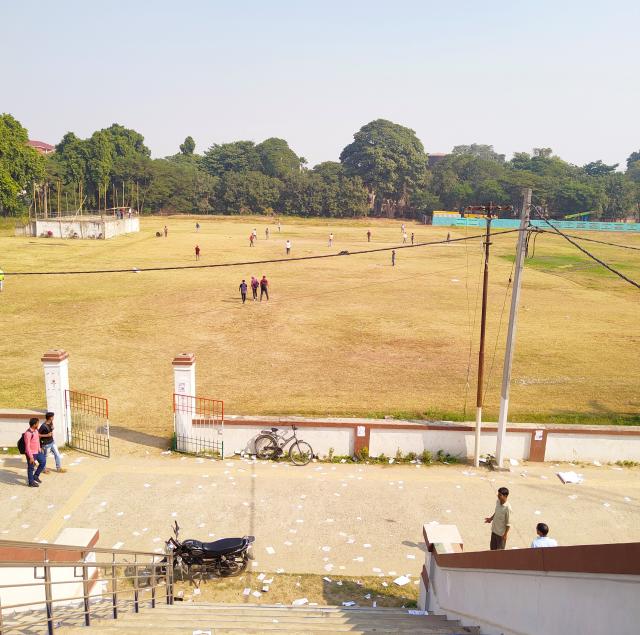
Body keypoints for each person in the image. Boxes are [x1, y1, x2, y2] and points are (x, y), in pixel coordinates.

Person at [24, 417, 46, 487]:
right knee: (31, 468)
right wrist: (31, 457)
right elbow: (27, 446)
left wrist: (39, 448)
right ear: (34, 425)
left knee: (43, 462)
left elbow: (37, 440)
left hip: (37, 451)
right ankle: (31, 482)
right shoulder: (28, 433)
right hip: (31, 453)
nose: (38, 424)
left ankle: (36, 476)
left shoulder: (36, 431)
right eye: (37, 423)